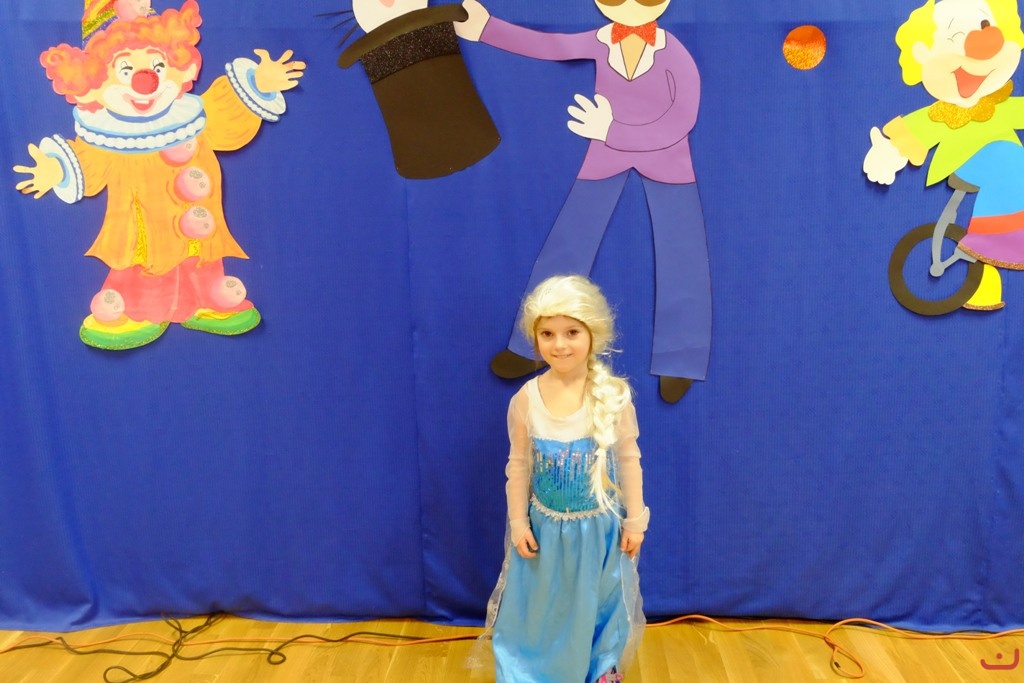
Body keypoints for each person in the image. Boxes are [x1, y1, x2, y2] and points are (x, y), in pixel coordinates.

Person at [456, 0, 711, 403]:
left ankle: (681, 359)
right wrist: (486, 29)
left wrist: (613, 130)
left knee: (682, 255)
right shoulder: (601, 40)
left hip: (666, 161)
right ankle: (531, 345)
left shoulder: (674, 52)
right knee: (568, 243)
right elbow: (550, 45)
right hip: (606, 155)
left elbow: (681, 118)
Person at [481, 275, 649, 683]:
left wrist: (635, 520)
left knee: (599, 600)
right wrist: (518, 522)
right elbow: (518, 466)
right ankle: (533, 671)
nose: (559, 345)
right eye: (547, 334)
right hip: (546, 532)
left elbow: (629, 459)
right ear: (535, 338)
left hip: (598, 531)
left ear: (593, 333)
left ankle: (600, 666)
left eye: (572, 332)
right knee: (543, 607)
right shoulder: (527, 399)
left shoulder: (611, 396)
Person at [863, 0, 1024, 311]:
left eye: (985, 27)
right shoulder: (941, 114)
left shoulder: (1001, 104)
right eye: (956, 37)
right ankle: (988, 240)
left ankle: (983, 283)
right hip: (970, 162)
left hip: (1004, 165)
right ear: (923, 54)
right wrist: (890, 151)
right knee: (1010, 162)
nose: (978, 46)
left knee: (1011, 166)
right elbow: (915, 132)